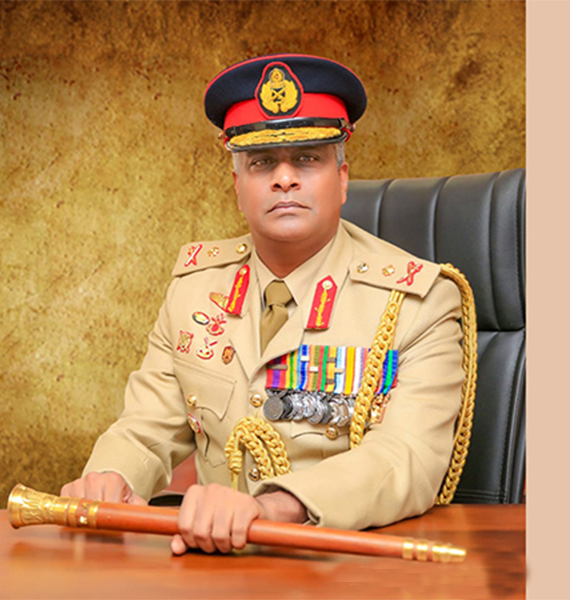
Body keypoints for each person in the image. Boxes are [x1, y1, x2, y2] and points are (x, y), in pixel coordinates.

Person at [61, 54, 465, 556]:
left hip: (343, 564)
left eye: (308, 159)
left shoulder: (416, 301)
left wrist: (276, 506)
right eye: (261, 163)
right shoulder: (195, 286)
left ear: (342, 177)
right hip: (209, 564)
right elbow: (147, 426)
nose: (284, 179)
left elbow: (408, 456)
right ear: (237, 186)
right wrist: (109, 476)